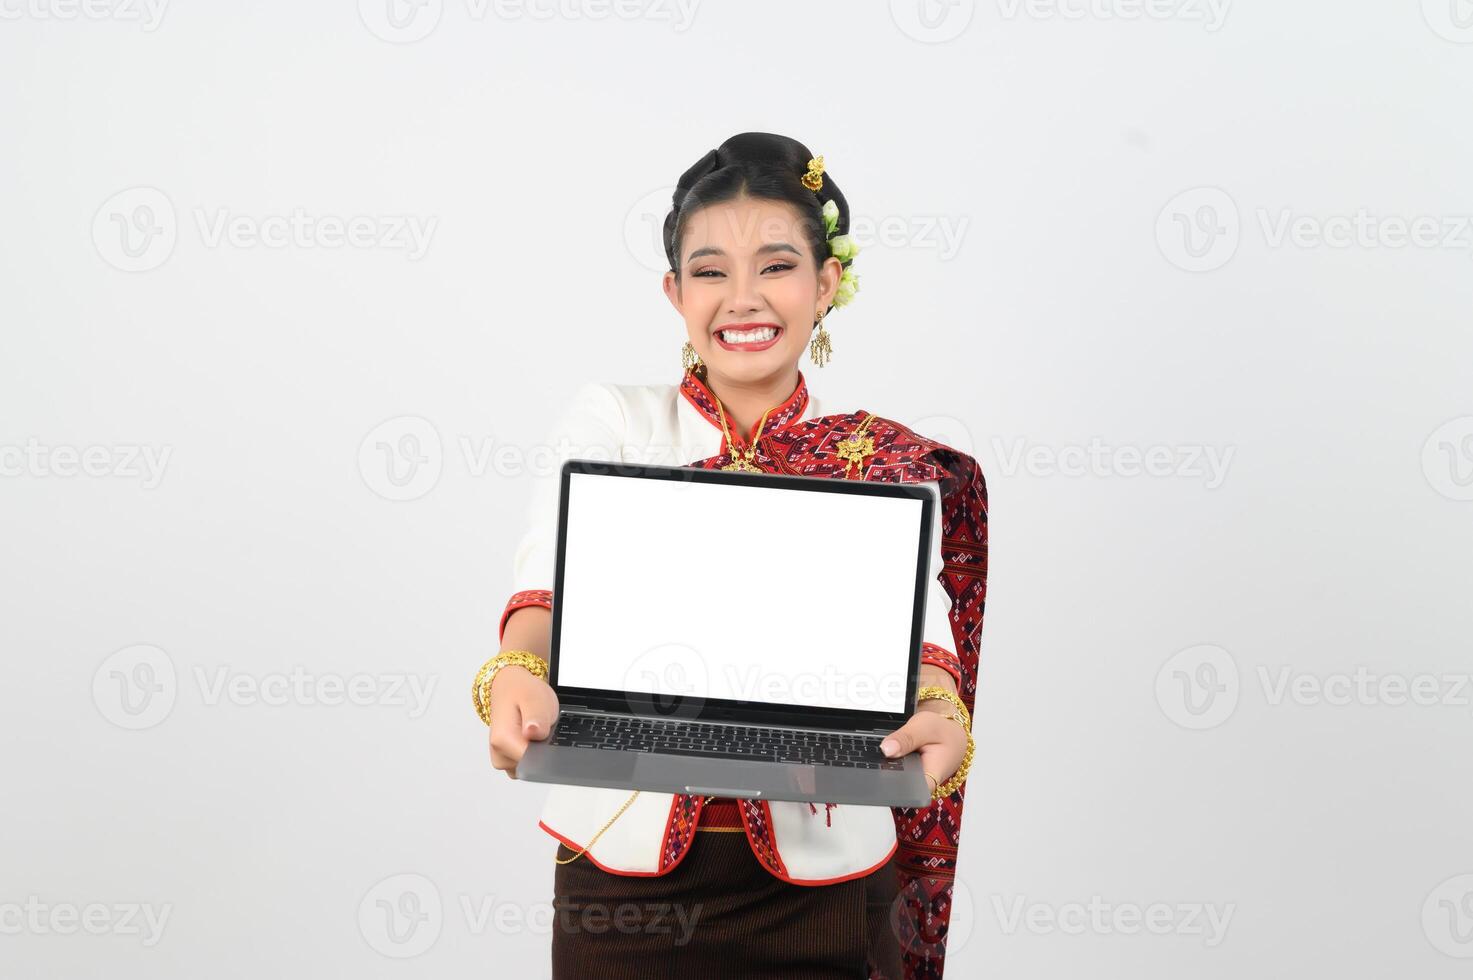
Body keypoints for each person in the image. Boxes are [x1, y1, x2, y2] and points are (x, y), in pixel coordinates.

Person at [474, 132, 989, 979]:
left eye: (776, 266)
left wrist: (939, 712)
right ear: (675, 292)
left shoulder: (879, 458)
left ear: (826, 284)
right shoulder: (615, 420)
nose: (741, 298)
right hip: (620, 878)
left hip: (825, 881)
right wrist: (515, 675)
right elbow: (544, 586)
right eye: (710, 271)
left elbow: (924, 654)